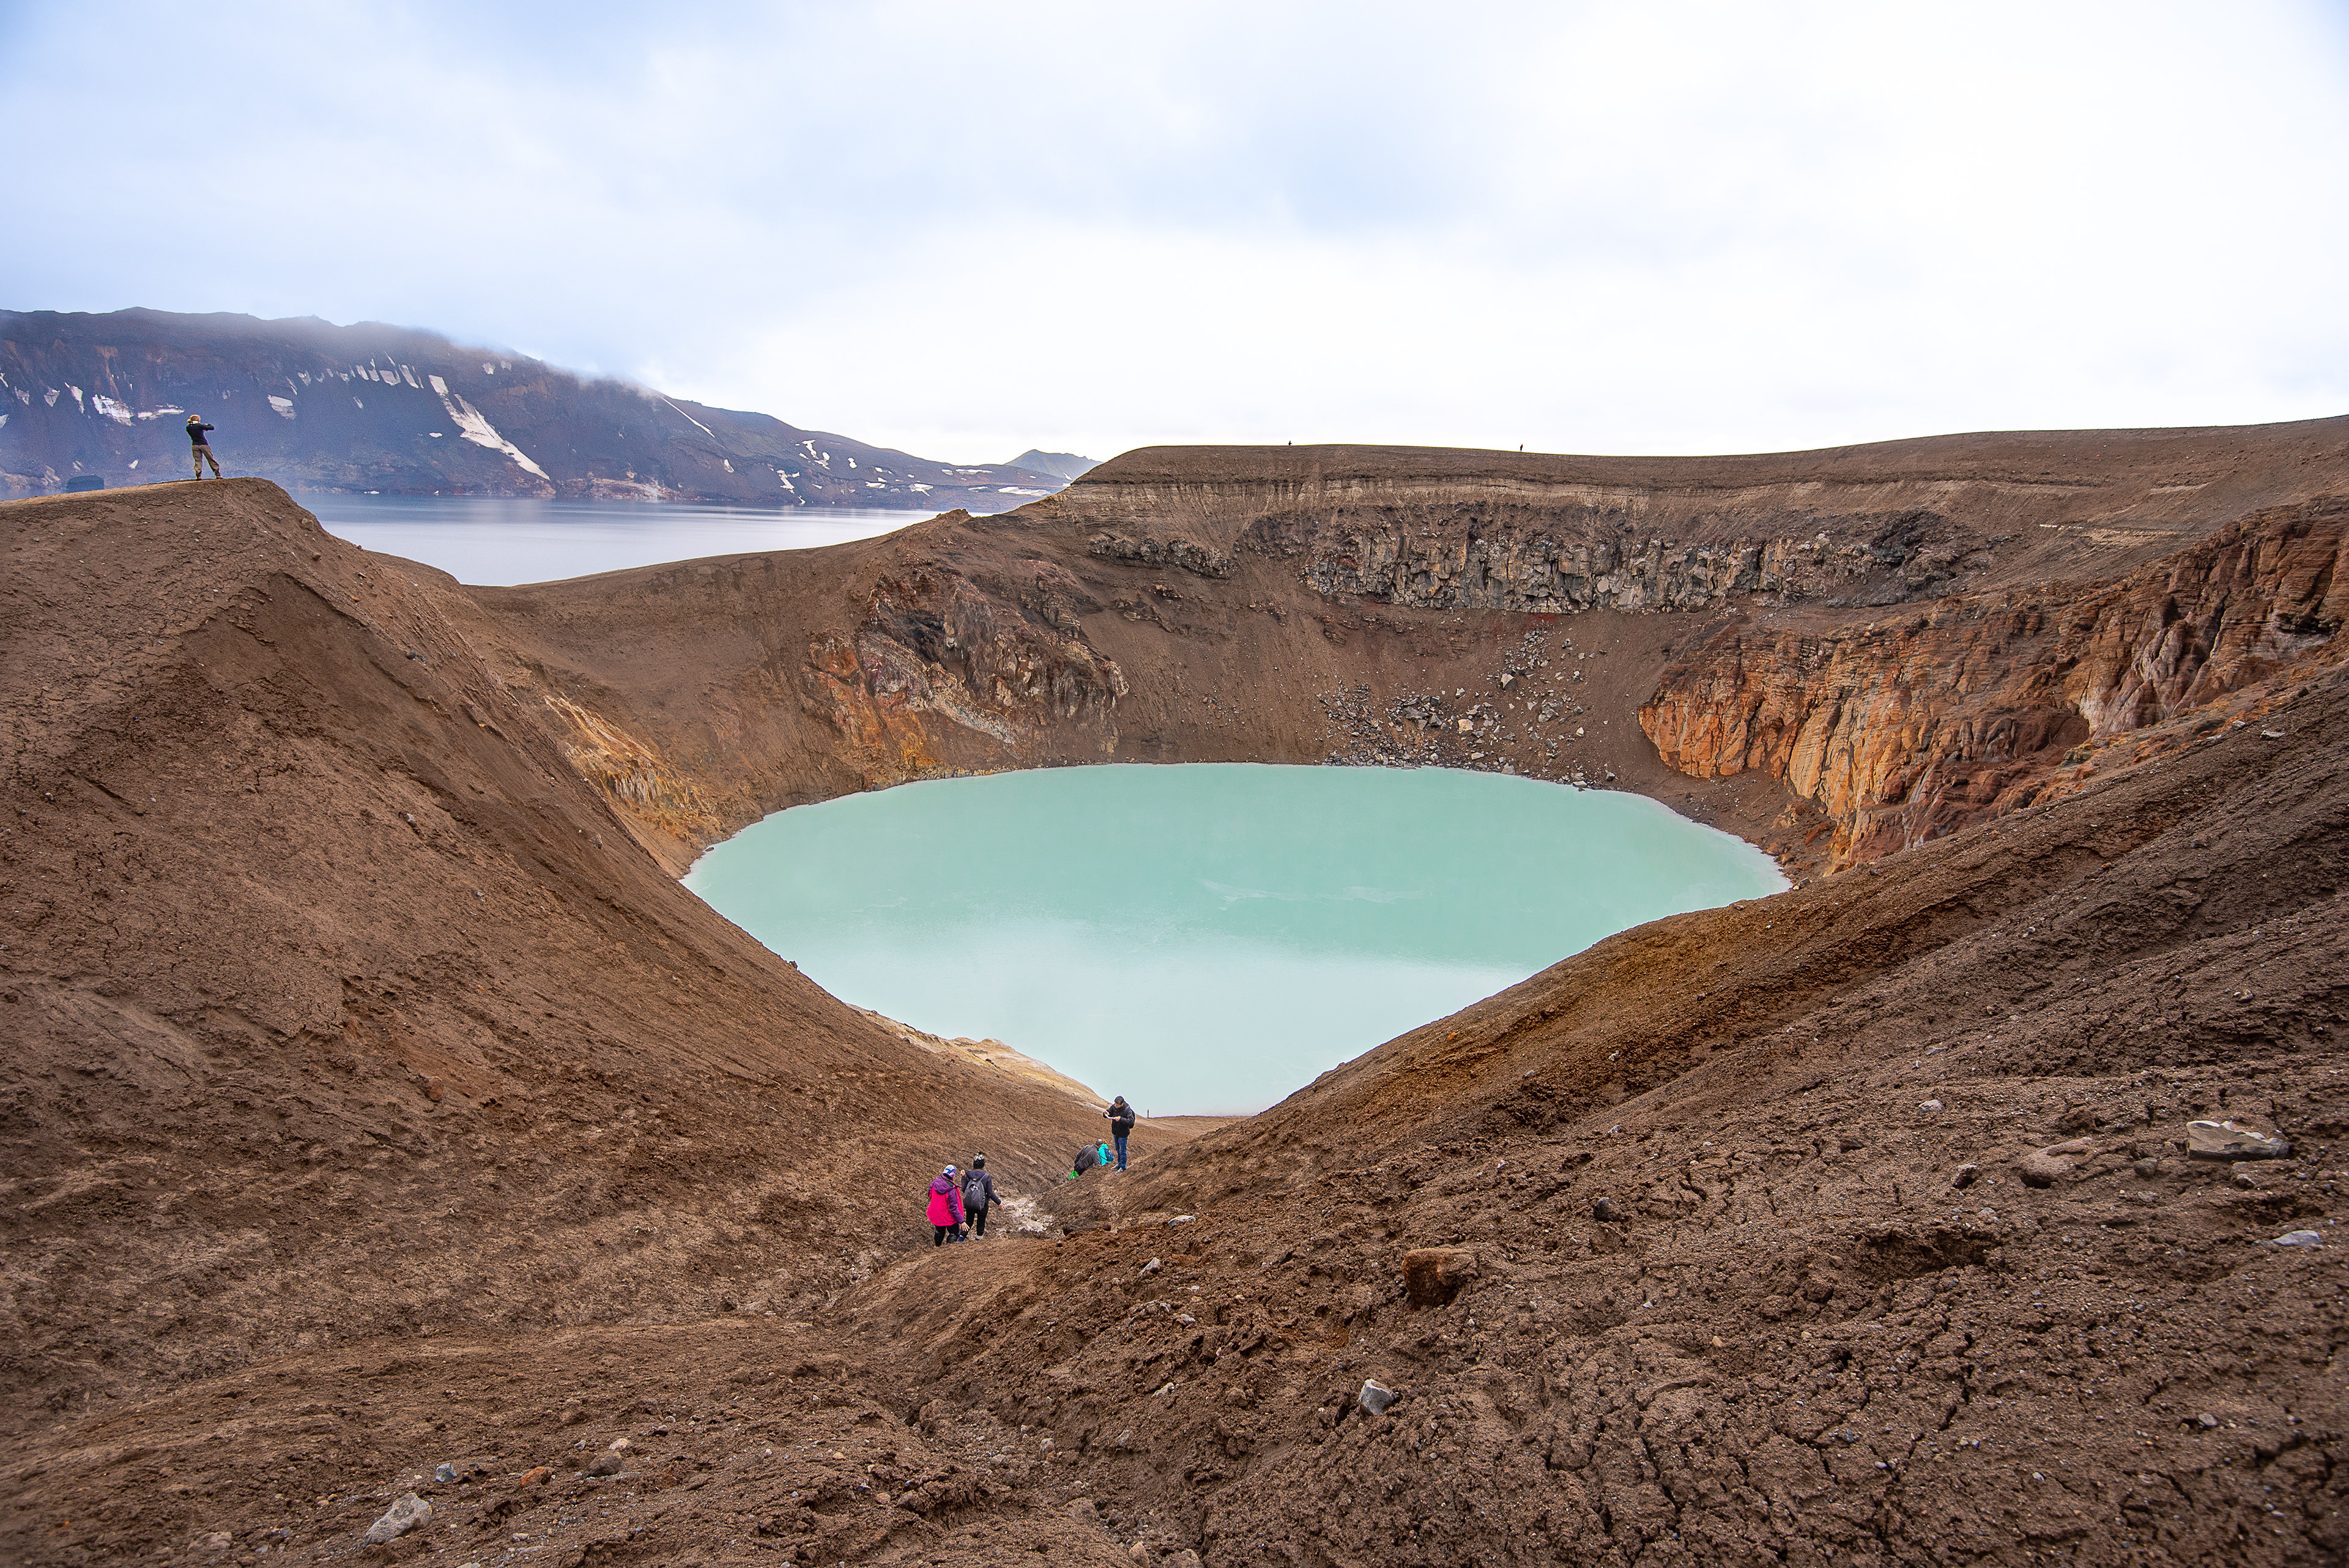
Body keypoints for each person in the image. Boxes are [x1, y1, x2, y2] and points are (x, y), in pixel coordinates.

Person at [926, 1164, 965, 1247]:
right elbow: (953, 1208)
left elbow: (929, 1194)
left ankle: (937, 1247)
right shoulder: (951, 1190)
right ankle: (949, 1250)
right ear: (952, 1175)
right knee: (954, 1233)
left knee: (940, 1231)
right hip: (948, 1216)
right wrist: (962, 1221)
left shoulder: (935, 1182)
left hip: (937, 1214)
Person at [960, 1156, 997, 1238]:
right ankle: (978, 1245)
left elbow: (963, 1189)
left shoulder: (968, 1174)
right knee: (981, 1225)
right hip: (982, 1205)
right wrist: (999, 1202)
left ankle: (958, 1242)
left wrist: (963, 1178)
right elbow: (990, 1193)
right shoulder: (986, 1177)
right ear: (983, 1165)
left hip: (970, 1204)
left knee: (968, 1223)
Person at [1104, 1095, 1136, 1171]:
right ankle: (1119, 1164)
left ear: (1122, 1104)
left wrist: (1121, 1119)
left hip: (1123, 1134)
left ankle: (1123, 1167)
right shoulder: (1114, 1107)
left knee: (1123, 1151)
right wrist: (1106, 1113)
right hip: (1116, 1133)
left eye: (1117, 1105)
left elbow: (1131, 1122)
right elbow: (1109, 1112)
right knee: (1118, 1150)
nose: (1115, 1106)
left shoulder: (1127, 1110)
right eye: (1115, 1104)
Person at [186, 415, 222, 479]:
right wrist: (207, 425)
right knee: (210, 458)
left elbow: (196, 431)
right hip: (203, 444)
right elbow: (212, 428)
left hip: (195, 445)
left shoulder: (188, 427)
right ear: (198, 420)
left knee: (198, 460)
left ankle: (198, 475)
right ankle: (217, 473)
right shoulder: (200, 426)